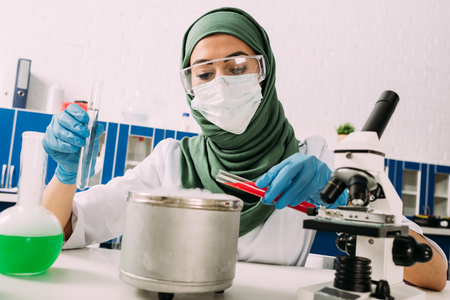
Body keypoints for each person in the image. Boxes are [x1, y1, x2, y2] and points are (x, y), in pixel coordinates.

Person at [42, 7, 447, 291]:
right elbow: (58, 233)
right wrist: (63, 174)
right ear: (191, 88)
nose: (220, 84)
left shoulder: (316, 160)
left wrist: (342, 204)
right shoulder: (170, 162)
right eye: (203, 73)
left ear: (264, 72)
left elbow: (434, 274)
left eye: (237, 68)